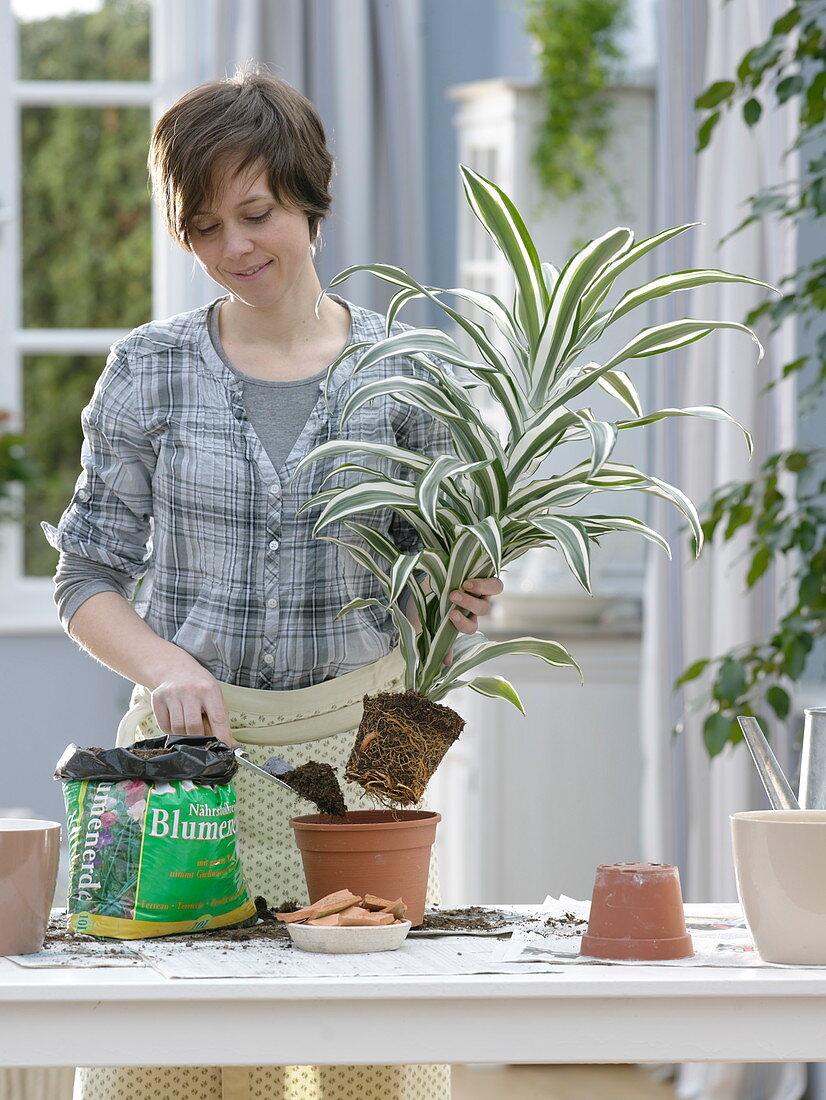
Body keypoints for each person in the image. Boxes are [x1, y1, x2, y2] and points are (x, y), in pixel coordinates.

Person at [44, 68, 503, 1100]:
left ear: (308, 195)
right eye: (203, 226)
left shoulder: (411, 371)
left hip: (371, 745)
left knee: (376, 1069)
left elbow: (443, 592)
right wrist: (163, 662)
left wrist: (465, 593)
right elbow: (85, 575)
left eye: (254, 214)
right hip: (177, 771)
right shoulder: (146, 370)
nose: (233, 249)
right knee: (164, 1070)